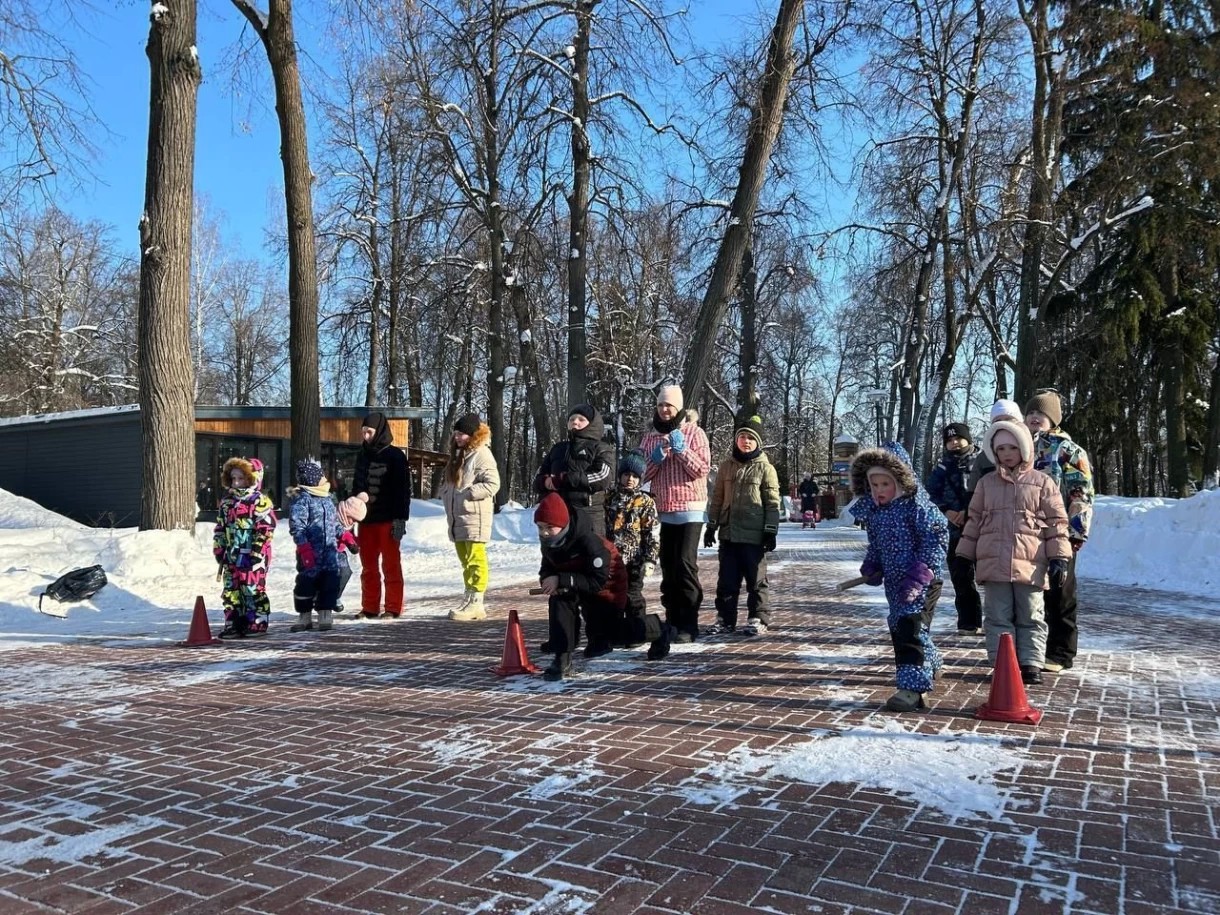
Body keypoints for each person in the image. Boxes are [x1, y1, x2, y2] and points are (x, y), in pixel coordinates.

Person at [956, 418, 1071, 686]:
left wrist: (1059, 557)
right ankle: (1002, 664)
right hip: (993, 564)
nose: (1007, 454)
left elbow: (1056, 523)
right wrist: (964, 556)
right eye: (1001, 450)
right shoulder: (986, 484)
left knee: (1031, 615)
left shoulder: (1043, 483)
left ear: (1025, 449)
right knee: (997, 617)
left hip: (1030, 565)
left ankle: (1031, 663)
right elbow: (974, 521)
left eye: (1012, 448)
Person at [849, 442, 949, 712]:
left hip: (923, 579)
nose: (879, 491)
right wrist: (871, 566)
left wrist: (920, 574)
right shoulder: (876, 513)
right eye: (874, 485)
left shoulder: (918, 507)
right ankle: (933, 662)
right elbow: (876, 546)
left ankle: (912, 689)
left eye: (885, 484)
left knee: (908, 627)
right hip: (895, 581)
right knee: (901, 623)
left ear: (901, 480)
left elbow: (937, 537)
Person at [1025, 390, 1094, 673]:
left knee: (1060, 591)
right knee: (1031, 592)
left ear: (1052, 419)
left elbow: (1081, 494)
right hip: (1027, 533)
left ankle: (1061, 651)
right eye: (1030, 413)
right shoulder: (1019, 446)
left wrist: (1075, 533)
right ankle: (1033, 647)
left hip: (1059, 532)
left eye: (1040, 414)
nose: (1034, 418)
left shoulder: (1068, 450)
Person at [640, 384, 712, 643]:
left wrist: (681, 451)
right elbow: (641, 475)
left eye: (669, 405)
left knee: (684, 564)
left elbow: (702, 469)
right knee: (669, 567)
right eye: (660, 405)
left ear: (678, 407)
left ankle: (689, 623)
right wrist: (654, 460)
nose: (664, 410)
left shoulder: (694, 433)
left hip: (691, 509)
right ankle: (672, 621)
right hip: (664, 509)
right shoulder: (650, 437)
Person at [534, 493, 627, 680]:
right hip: (578, 586)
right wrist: (549, 579)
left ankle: (659, 630)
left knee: (619, 633)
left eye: (549, 527)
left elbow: (598, 581)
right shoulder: (550, 542)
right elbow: (547, 568)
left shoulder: (590, 542)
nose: (544, 533)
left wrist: (562, 579)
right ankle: (562, 656)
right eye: (540, 527)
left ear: (563, 525)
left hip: (607, 589)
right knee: (560, 598)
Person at [704, 415, 781, 637]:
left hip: (754, 536)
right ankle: (725, 619)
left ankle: (758, 617)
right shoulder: (727, 467)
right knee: (727, 581)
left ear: (758, 442)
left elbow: (772, 503)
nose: (745, 441)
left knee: (756, 580)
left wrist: (770, 531)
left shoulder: (766, 469)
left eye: (750, 438)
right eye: (742, 437)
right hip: (728, 533)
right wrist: (712, 525)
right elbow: (717, 498)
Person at [440, 412, 501, 622]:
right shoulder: (458, 454)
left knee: (476, 558)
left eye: (463, 434)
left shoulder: (481, 454)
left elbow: (493, 483)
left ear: (473, 435)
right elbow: (450, 481)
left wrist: (468, 493)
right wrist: (446, 493)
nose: (458, 437)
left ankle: (477, 600)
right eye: (456, 433)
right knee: (465, 560)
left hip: (474, 516)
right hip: (458, 518)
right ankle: (468, 596)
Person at [925, 421, 983, 634]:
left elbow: (989, 490)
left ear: (968, 438)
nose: (954, 443)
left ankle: (1000, 622)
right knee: (961, 577)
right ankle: (969, 621)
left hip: (982, 528)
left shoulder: (982, 461)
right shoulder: (942, 467)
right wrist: (947, 511)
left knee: (992, 577)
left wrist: (968, 511)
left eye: (958, 438)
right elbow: (930, 494)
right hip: (954, 531)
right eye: (949, 440)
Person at [353, 412, 412, 618]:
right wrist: (352, 512)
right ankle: (369, 607)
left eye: (369, 432)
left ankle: (393, 607)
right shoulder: (362, 454)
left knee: (391, 565)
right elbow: (356, 486)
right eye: (363, 433)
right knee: (368, 567)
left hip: (388, 519)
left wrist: (400, 519)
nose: (366, 436)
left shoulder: (395, 456)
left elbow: (403, 491)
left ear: (379, 431)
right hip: (366, 520)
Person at [212, 457, 277, 639]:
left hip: (251, 555)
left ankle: (256, 620)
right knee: (231, 589)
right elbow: (220, 527)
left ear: (252, 479)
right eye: (233, 479)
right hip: (232, 555)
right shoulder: (227, 503)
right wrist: (219, 547)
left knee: (252, 587)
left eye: (241, 479)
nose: (236, 483)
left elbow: (266, 528)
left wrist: (258, 549)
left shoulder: (259, 501)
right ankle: (234, 620)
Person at [535, 404, 615, 538]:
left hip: (588, 514)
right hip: (557, 515)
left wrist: (564, 479)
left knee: (589, 556)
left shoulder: (601, 448)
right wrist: (545, 482)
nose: (575, 422)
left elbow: (603, 477)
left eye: (581, 419)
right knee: (557, 557)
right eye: (572, 419)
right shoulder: (558, 449)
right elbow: (538, 478)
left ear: (592, 424)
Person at [605, 449, 660, 642]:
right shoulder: (609, 497)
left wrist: (650, 559)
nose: (630, 479)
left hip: (634, 560)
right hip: (611, 559)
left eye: (635, 476)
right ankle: (616, 633)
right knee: (612, 597)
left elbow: (651, 533)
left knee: (633, 596)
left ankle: (638, 631)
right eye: (627, 474)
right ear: (620, 475)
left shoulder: (645, 501)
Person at [287, 458, 341, 633]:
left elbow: (334, 523)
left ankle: (325, 612)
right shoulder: (302, 499)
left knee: (330, 582)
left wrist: (345, 536)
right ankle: (305, 615)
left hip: (330, 553)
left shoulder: (327, 499)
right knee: (306, 582)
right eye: (321, 476)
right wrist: (304, 548)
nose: (324, 479)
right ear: (312, 480)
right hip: (311, 552)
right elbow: (297, 527)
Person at [335, 492, 367, 613]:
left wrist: (353, 544)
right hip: (324, 549)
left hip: (339, 551)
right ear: (346, 513)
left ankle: (336, 596)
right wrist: (349, 542)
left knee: (346, 571)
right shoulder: (333, 515)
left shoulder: (348, 523)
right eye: (352, 519)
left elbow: (349, 535)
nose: (353, 522)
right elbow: (338, 530)